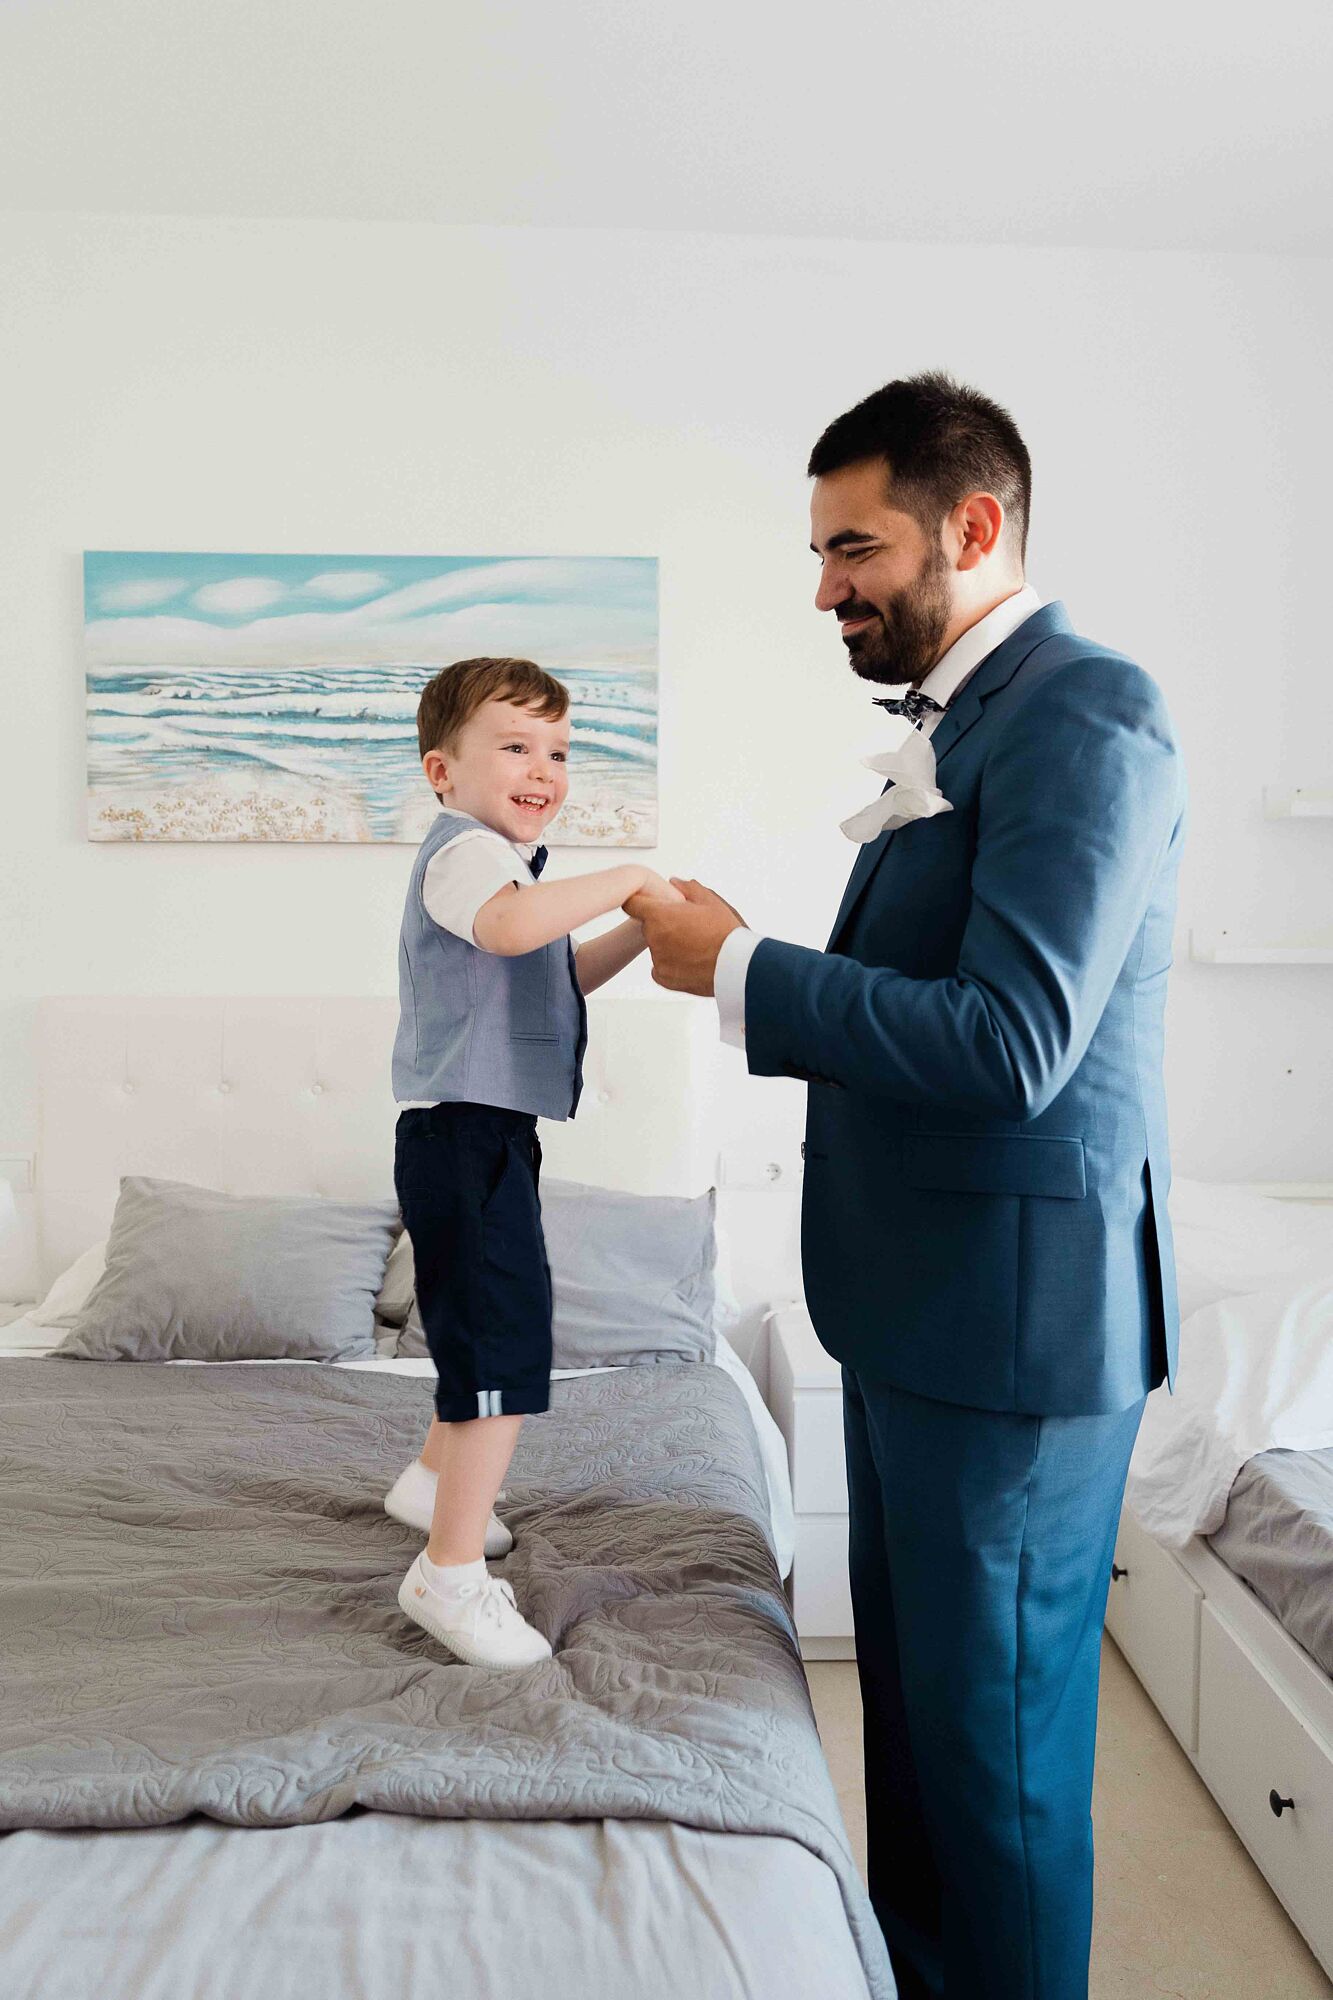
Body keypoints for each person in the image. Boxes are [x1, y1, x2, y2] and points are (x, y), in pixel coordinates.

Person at [629, 371, 1186, 1998]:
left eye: (850, 547)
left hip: (1008, 1340)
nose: (822, 590)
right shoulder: (973, 719)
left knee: (996, 1773)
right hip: (919, 1313)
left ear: (975, 525)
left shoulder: (1085, 709)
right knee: (929, 1737)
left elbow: (1013, 1041)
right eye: (817, 553)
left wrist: (734, 967)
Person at [387, 655, 682, 1669]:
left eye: (556, 748)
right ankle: (448, 1570)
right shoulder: (468, 857)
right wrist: (635, 875)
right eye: (513, 744)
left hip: (487, 1135)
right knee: (505, 1353)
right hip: (464, 1136)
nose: (542, 766)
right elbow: (515, 929)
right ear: (442, 772)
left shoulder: (508, 875)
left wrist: (637, 932)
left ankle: (432, 1481)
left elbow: (550, 968)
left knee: (486, 1321)